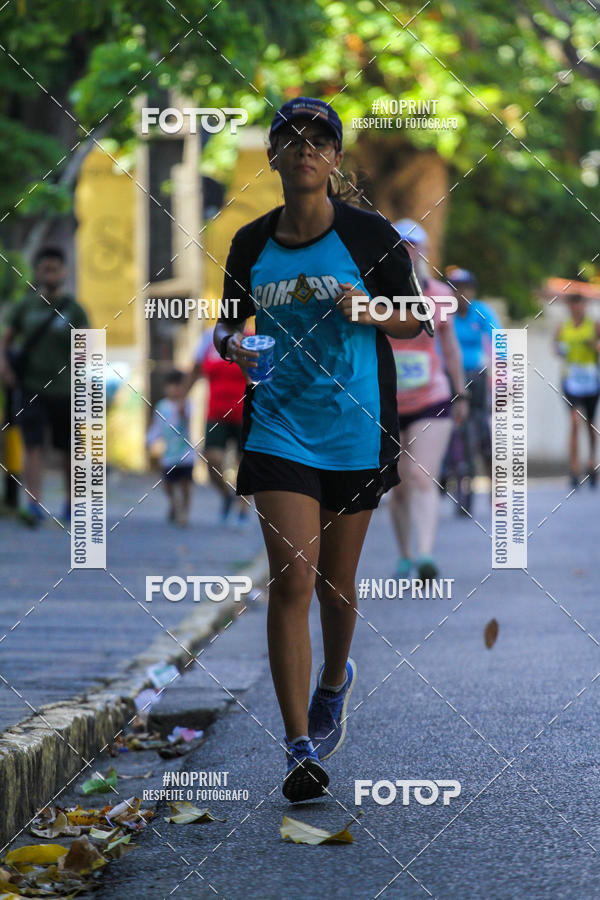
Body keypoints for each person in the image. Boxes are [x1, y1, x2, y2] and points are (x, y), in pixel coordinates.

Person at [212, 97, 426, 803]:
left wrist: (366, 307)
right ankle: (298, 745)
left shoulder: (370, 237)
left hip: (355, 427)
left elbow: (417, 319)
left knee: (336, 587)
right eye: (290, 139)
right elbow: (224, 329)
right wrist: (235, 346)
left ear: (335, 159)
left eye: (319, 140)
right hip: (278, 427)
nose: (304, 149)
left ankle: (336, 677)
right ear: (272, 156)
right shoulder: (250, 243)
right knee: (293, 580)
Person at [387, 221, 468, 581]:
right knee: (399, 484)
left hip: (431, 397)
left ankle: (425, 555)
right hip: (386, 402)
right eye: (400, 244)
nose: (407, 250)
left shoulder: (439, 295)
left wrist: (460, 391)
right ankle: (405, 554)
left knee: (421, 476)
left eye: (413, 244)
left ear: (423, 250)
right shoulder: (375, 295)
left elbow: (449, 345)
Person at [0, 246, 89, 524]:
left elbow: (87, 348)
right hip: (31, 387)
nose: (50, 273)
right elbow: (6, 340)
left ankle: (71, 504)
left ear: (63, 271)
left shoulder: (74, 310)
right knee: (33, 445)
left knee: (68, 449)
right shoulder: (26, 308)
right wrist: (4, 366)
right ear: (38, 272)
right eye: (45, 268)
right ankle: (34, 503)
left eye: (55, 268)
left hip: (66, 389)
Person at [442, 267, 501, 511]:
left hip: (476, 378)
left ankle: (495, 489)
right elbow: (435, 341)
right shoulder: (444, 311)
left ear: (472, 291)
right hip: (449, 377)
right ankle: (452, 478)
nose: (460, 293)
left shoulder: (481, 311)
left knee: (482, 432)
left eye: (465, 288)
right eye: (456, 288)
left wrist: (502, 375)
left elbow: (498, 340)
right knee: (449, 429)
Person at [189, 326, 249, 523]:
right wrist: (180, 398)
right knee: (211, 459)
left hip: (246, 412)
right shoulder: (209, 338)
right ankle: (226, 495)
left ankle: (243, 508)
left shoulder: (252, 337)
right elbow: (195, 370)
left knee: (247, 462)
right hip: (216, 413)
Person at [554, 293, 600, 488]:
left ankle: (591, 462)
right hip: (571, 380)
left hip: (590, 380)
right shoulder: (562, 328)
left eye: (579, 304)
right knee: (574, 421)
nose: (576, 308)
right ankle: (574, 469)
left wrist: (594, 346)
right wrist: (560, 349)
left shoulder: (594, 326)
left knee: (590, 423)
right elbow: (556, 348)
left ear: (584, 306)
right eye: (572, 305)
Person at [146, 369, 195, 526]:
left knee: (186, 484)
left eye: (178, 385)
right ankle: (174, 503)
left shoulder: (186, 404)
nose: (174, 389)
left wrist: (182, 405)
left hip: (186, 453)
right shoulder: (162, 406)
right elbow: (157, 427)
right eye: (171, 385)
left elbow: (186, 417)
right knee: (167, 484)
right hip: (169, 454)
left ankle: (185, 513)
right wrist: (148, 440)